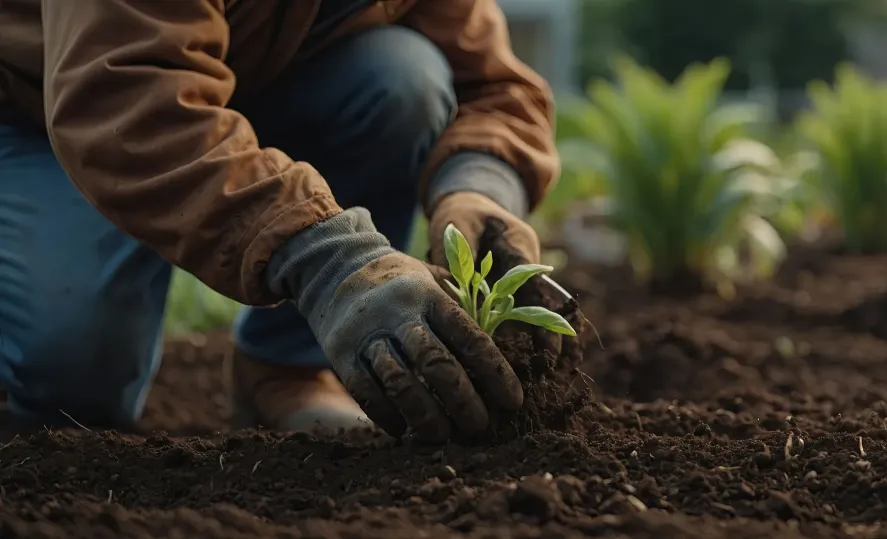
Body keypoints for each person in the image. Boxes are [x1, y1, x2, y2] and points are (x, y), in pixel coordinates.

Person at [0, 0, 559, 443]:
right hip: (61, 104)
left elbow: (488, 83)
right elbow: (125, 96)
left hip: (244, 81)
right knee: (71, 386)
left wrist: (480, 189)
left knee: (402, 77)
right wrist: (331, 262)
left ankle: (287, 370)